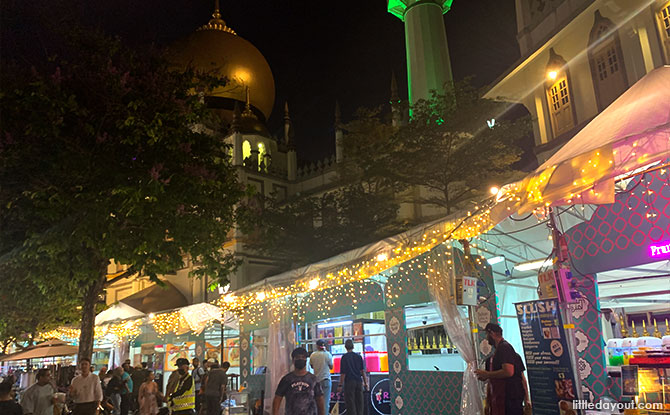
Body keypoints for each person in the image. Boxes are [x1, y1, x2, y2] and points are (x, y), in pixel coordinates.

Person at [475, 323, 530, 415]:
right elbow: (492, 381)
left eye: (487, 335)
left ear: (491, 333)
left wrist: (487, 374)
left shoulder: (505, 348)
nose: (486, 338)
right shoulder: (493, 357)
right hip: (499, 398)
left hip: (510, 398)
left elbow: (509, 372)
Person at [273, 347, 325, 415]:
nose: (300, 359)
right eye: (297, 357)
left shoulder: (313, 380)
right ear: (293, 360)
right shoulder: (286, 379)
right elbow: (277, 399)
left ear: (306, 360)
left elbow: (320, 400)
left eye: (303, 357)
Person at [336, 340, 367, 415]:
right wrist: (366, 383)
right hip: (359, 382)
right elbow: (362, 371)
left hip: (349, 382)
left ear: (345, 347)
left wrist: (340, 385)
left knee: (350, 403)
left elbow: (343, 373)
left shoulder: (344, 357)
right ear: (353, 346)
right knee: (359, 403)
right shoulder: (358, 356)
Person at [310, 339, 334, 413]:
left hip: (316, 381)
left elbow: (312, 366)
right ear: (324, 346)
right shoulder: (327, 354)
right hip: (326, 380)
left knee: (317, 402)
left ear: (317, 346)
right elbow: (331, 367)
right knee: (326, 402)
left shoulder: (313, 355)